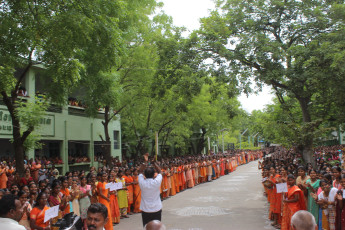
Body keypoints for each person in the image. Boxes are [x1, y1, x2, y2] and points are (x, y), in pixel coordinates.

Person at [138, 156, 163, 227]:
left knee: (147, 227)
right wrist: (154, 163)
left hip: (145, 209)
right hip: (156, 208)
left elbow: (140, 171)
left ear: (144, 175)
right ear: (153, 175)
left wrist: (145, 162)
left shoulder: (142, 182)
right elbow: (160, 171)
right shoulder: (156, 182)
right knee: (157, 227)